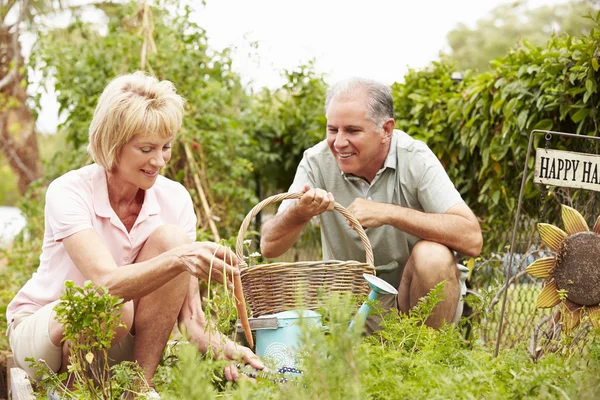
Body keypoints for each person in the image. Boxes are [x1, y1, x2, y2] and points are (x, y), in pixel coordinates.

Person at [5, 72, 263, 396]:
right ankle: (74, 390)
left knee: (171, 241)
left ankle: (138, 389)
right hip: (45, 335)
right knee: (115, 304)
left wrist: (223, 349)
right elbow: (105, 284)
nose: (159, 160)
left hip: (121, 338)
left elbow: (191, 318)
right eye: (146, 148)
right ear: (113, 142)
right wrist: (181, 257)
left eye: (166, 146)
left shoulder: (175, 199)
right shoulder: (70, 191)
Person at [260, 77, 482, 330]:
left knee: (433, 255)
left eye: (352, 131)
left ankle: (425, 358)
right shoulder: (316, 162)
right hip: (349, 306)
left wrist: (389, 213)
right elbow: (269, 246)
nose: (339, 142)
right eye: (332, 130)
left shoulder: (415, 158)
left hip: (413, 300)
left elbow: (471, 238)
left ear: (386, 130)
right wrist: (299, 213)